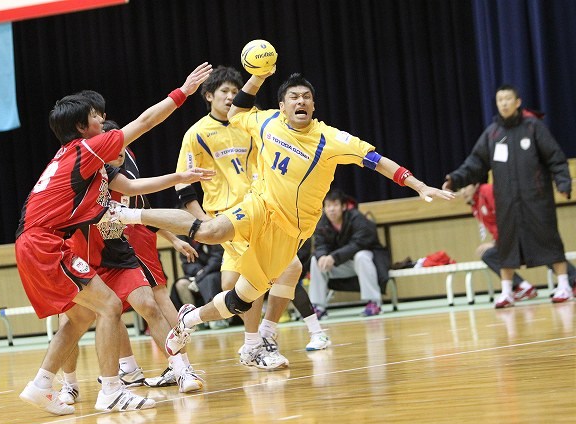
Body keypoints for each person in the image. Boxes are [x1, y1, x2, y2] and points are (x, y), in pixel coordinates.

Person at [106, 68, 454, 357]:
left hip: (290, 231)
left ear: (314, 105)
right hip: (257, 205)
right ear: (282, 106)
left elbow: (377, 160)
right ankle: (128, 215)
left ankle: (190, 321)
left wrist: (418, 184)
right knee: (210, 231)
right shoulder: (266, 121)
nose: (301, 101)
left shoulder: (331, 139)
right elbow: (238, 112)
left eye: (307, 97)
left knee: (242, 297)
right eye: (294, 97)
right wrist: (257, 76)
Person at [15, 62, 212, 415]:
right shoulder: (86, 149)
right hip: (47, 243)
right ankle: (111, 390)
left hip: (34, 243)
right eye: (96, 116)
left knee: (79, 318)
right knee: (108, 307)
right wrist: (183, 92)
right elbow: (145, 122)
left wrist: (179, 177)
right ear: (82, 127)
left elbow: (133, 187)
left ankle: (41, 384)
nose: (103, 120)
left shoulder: (76, 160)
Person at [172, 65, 328, 365]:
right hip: (229, 216)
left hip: (262, 207)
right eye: (224, 91)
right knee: (277, 270)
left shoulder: (250, 121)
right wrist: (205, 224)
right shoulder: (197, 134)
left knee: (238, 283)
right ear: (208, 96)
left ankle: (255, 334)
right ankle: (257, 343)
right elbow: (184, 187)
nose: (231, 96)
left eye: (235, 91)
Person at [57, 118, 208, 399]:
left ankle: (181, 369)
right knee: (71, 321)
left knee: (149, 304)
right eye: (112, 143)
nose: (120, 149)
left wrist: (179, 179)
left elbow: (140, 198)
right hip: (79, 253)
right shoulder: (75, 171)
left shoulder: (120, 169)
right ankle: (70, 384)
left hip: (116, 247)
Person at [443, 84, 573, 307]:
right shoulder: (493, 133)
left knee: (549, 240)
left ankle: (564, 285)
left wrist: (563, 182)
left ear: (517, 102)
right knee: (507, 245)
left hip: (537, 199)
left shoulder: (533, 127)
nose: (503, 103)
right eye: (499, 100)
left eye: (507, 99)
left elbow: (555, 158)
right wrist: (454, 179)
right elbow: (475, 163)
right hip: (506, 202)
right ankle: (507, 292)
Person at [460, 182, 576, 307]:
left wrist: (496, 242)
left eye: (465, 187)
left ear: (476, 184)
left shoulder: (487, 190)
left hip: (524, 230)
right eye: (460, 189)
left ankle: (574, 280)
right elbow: (495, 227)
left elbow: (506, 214)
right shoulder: (474, 205)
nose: (462, 192)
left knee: (542, 249)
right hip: (508, 239)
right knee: (489, 255)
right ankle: (522, 287)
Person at [308, 188, 391, 317]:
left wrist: (334, 257)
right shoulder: (322, 222)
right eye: (328, 206)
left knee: (361, 256)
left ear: (344, 206)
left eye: (335, 205)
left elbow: (358, 244)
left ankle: (374, 303)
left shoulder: (357, 218)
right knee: (316, 260)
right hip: (342, 264)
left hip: (367, 263)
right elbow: (320, 245)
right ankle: (318, 307)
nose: (331, 209)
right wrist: (322, 256)